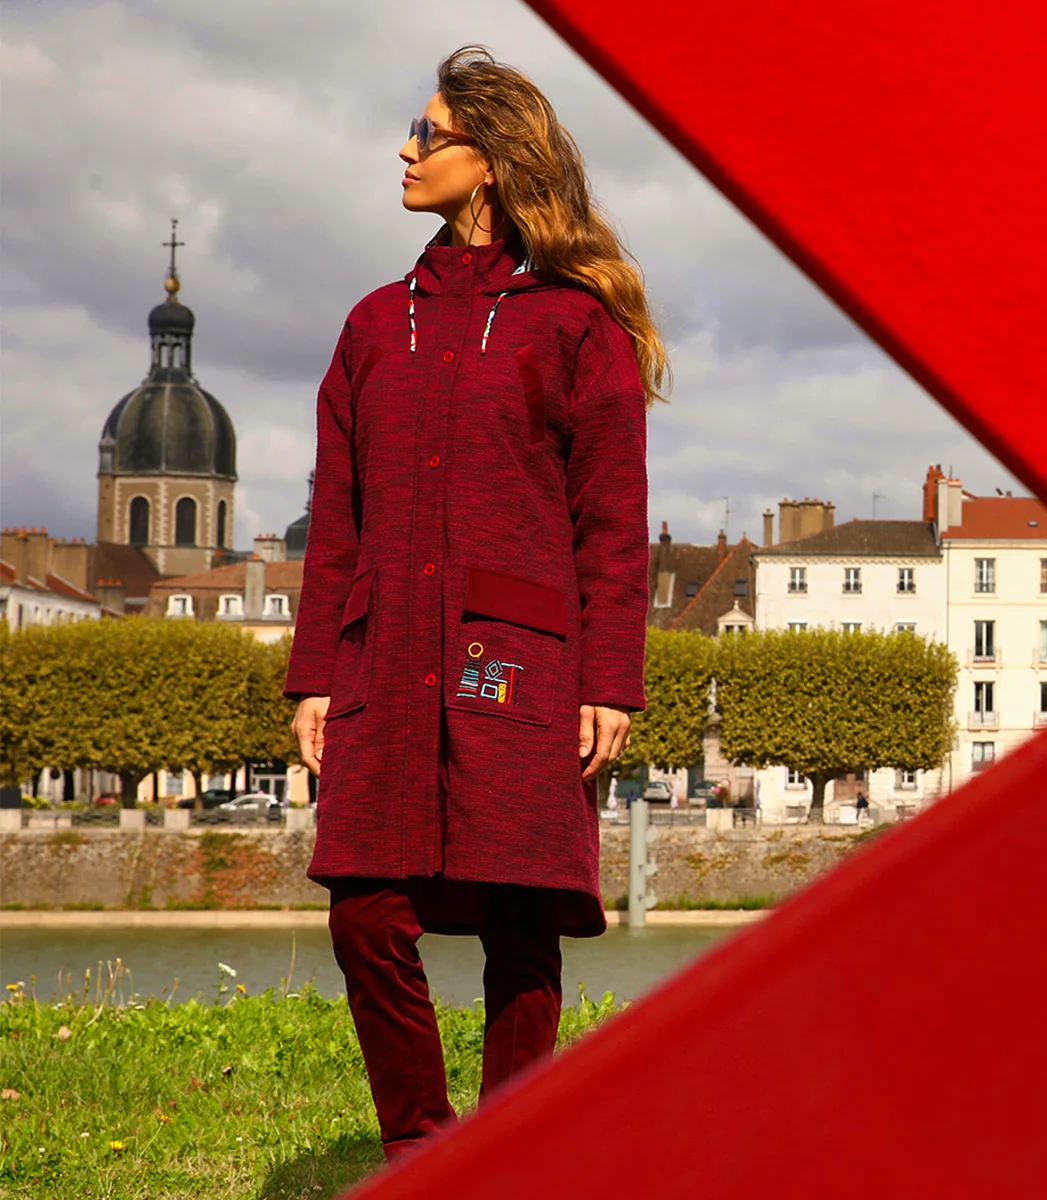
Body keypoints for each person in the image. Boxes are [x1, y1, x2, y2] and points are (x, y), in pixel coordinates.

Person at [284, 44, 662, 1164]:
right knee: (364, 911)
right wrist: (312, 676)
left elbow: (612, 525)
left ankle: (505, 1155)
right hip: (382, 662)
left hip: (518, 668)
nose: (405, 151)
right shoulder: (372, 326)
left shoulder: (573, 327)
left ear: (489, 160)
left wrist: (610, 683)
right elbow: (334, 518)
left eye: (428, 133)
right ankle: (420, 1147)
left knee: (521, 918)